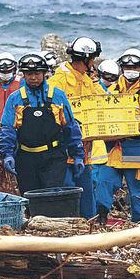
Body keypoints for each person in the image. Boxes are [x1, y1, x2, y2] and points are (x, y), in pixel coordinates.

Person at [0, 53, 84, 195]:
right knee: (30, 198)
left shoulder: (58, 95)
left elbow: (70, 127)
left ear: (45, 73)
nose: (33, 77)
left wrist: (78, 155)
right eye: (29, 74)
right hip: (26, 158)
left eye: (37, 73)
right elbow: (8, 129)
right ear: (23, 75)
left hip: (54, 158)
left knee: (51, 196)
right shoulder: (15, 98)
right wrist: (7, 154)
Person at [95, 48, 140, 223]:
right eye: (127, 67)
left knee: (137, 189)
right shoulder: (112, 90)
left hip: (134, 147)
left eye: (135, 67)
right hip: (112, 146)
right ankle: (100, 217)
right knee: (104, 182)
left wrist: (127, 123)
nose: (131, 70)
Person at [48, 37, 102, 218]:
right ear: (87, 59)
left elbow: (102, 101)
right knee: (67, 187)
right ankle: (68, 222)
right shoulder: (60, 79)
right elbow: (51, 109)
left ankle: (89, 222)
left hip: (84, 147)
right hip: (65, 146)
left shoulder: (87, 80)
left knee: (86, 189)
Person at [0, 52, 21, 120]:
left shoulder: (22, 83)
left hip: (15, 124)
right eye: (3, 72)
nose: (5, 74)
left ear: (14, 70)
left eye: (8, 71)